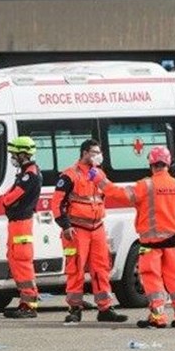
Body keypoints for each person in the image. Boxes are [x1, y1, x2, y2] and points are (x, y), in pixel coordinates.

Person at [105, 146, 175, 328]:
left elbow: (120, 195)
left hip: (150, 244)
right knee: (174, 279)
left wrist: (100, 181)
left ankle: (158, 317)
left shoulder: (146, 185)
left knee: (152, 280)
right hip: (172, 243)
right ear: (168, 163)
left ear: (151, 164)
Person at [51, 139, 129, 324]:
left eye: (98, 152)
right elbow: (57, 203)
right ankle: (75, 308)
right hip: (76, 229)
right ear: (84, 153)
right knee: (75, 268)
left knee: (102, 268)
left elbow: (107, 194)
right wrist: (65, 225)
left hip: (97, 228)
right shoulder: (69, 175)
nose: (97, 155)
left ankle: (105, 308)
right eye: (94, 152)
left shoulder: (99, 174)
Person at [1, 136, 42, 318]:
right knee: (15, 260)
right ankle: (25, 303)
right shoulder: (26, 172)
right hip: (18, 223)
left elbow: (10, 198)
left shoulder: (29, 175)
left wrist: (5, 200)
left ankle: (29, 305)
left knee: (22, 262)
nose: (13, 158)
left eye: (14, 154)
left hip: (21, 224)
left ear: (23, 154)